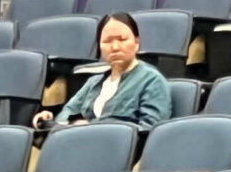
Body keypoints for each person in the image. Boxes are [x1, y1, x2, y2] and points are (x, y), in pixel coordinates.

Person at [35, 13, 171, 132]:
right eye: (107, 41)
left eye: (122, 39)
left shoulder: (152, 80)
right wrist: (48, 121)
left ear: (136, 42)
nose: (115, 47)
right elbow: (65, 115)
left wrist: (92, 129)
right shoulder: (93, 82)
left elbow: (151, 131)